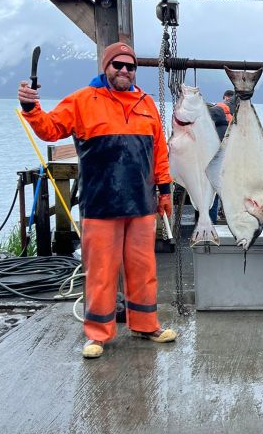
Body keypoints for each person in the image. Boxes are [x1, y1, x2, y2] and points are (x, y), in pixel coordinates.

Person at [17, 42, 177, 359]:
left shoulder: (147, 104)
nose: (123, 70)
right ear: (105, 67)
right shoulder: (82, 101)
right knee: (101, 272)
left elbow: (160, 152)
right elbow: (50, 130)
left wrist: (164, 190)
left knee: (144, 270)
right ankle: (97, 334)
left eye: (129, 66)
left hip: (141, 205)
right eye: (117, 65)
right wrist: (30, 108)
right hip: (100, 204)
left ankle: (147, 325)